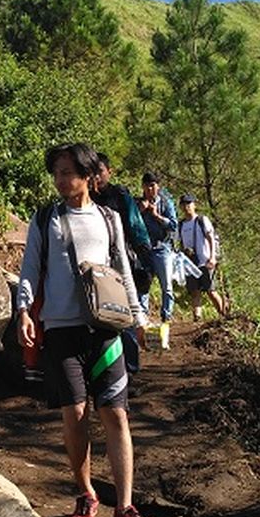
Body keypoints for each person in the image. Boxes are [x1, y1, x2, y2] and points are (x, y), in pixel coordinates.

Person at [17, 143, 151, 517]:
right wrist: (23, 310)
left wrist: (139, 319)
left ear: (88, 176)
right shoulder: (45, 219)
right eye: (56, 172)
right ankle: (86, 494)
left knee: (115, 414)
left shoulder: (109, 219)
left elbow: (123, 269)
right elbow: (30, 267)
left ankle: (125, 508)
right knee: (75, 412)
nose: (60, 180)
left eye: (67, 172)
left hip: (106, 329)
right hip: (60, 328)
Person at [92, 153, 154, 380]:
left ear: (110, 171)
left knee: (123, 315)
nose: (96, 176)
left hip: (120, 263)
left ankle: (130, 370)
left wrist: (146, 258)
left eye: (100, 171)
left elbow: (136, 227)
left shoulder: (119, 195)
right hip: (94, 267)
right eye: (92, 172)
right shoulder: (84, 197)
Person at [138, 172, 178, 337]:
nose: (150, 189)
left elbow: (173, 225)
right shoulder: (138, 203)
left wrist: (156, 215)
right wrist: (139, 212)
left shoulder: (166, 203)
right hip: (144, 249)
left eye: (153, 185)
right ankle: (143, 317)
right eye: (147, 185)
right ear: (142, 187)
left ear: (158, 186)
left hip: (163, 248)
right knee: (143, 284)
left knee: (166, 285)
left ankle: (166, 316)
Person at [177, 194, 228, 320]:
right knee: (195, 292)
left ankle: (223, 315)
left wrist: (212, 258)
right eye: (183, 204)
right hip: (190, 264)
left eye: (189, 204)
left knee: (211, 291)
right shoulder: (181, 225)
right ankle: (197, 318)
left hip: (205, 261)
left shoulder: (201, 220)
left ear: (194, 205)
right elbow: (180, 243)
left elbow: (211, 238)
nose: (186, 207)